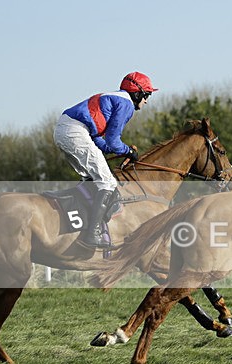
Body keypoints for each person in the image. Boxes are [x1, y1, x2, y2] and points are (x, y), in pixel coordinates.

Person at [53, 71, 157, 248]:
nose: (146, 101)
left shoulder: (114, 98)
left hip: (66, 130)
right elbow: (113, 141)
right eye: (147, 95)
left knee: (92, 180)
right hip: (75, 133)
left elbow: (100, 141)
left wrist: (121, 150)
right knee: (107, 183)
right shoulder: (126, 105)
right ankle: (92, 234)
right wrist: (128, 152)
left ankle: (81, 223)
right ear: (137, 92)